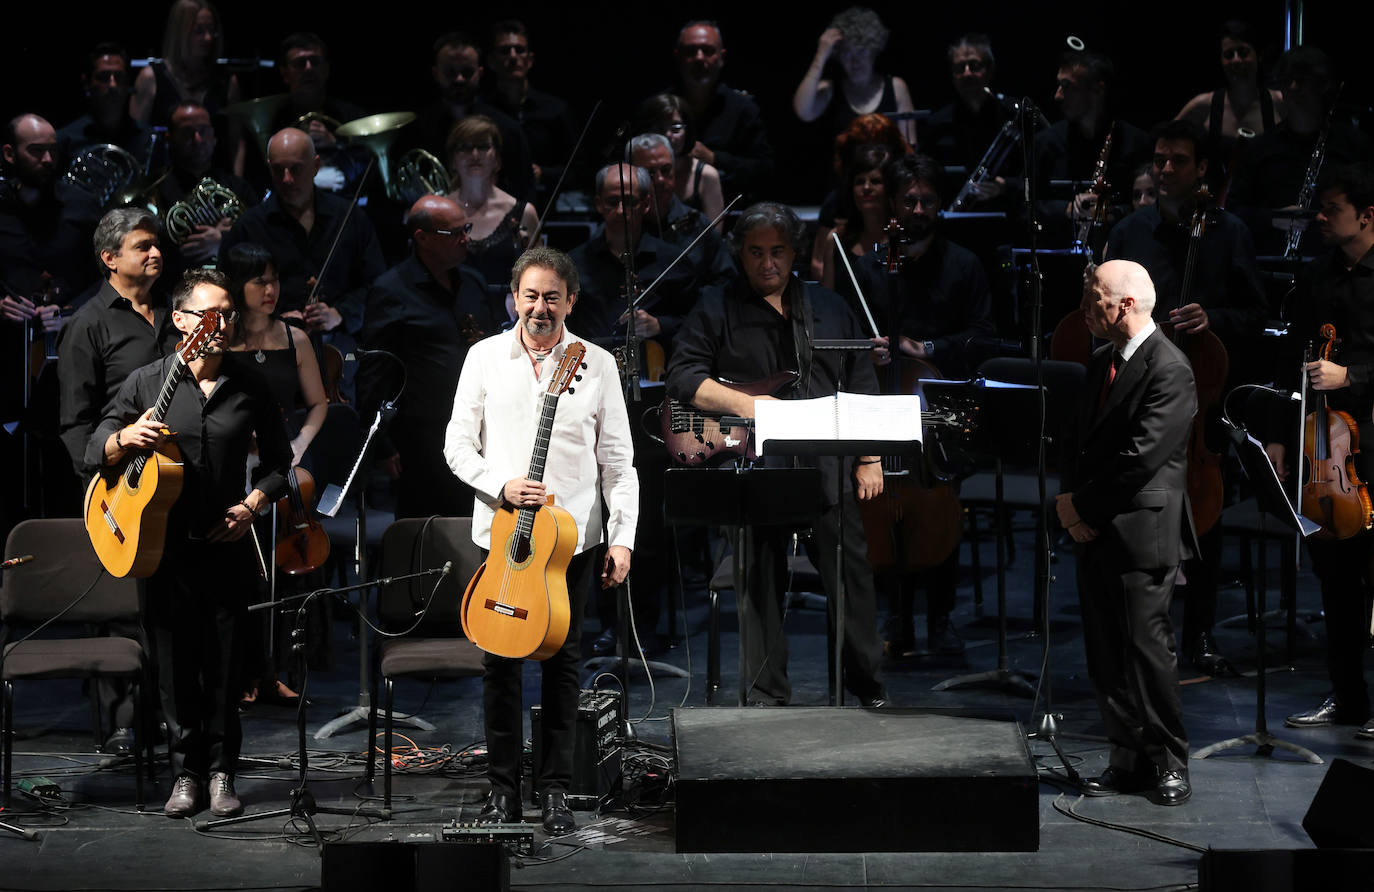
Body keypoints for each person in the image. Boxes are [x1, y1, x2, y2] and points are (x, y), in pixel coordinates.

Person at [444, 245, 637, 834]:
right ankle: (502, 791)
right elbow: (457, 445)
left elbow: (618, 462)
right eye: (530, 295)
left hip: (571, 541)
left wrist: (623, 538)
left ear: (571, 301)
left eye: (552, 296)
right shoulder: (483, 358)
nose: (540, 307)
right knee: (499, 664)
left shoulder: (596, 364)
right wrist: (499, 485)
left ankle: (554, 789)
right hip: (504, 536)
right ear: (514, 299)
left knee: (562, 664)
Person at [665, 202, 887, 707]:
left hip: (827, 466)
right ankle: (767, 695)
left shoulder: (830, 307)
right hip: (756, 468)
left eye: (778, 252)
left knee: (851, 581)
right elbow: (683, 376)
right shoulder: (716, 306)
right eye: (756, 252)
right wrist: (749, 405)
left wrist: (869, 457)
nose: (768, 263)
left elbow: (861, 381)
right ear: (739, 253)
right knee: (760, 582)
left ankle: (869, 689)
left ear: (794, 253)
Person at [89, 268, 291, 818]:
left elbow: (280, 464)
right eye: (209, 314)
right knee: (174, 668)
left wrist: (253, 505)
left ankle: (223, 773)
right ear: (180, 320)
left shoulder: (250, 384)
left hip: (225, 544)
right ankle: (185, 773)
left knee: (225, 668)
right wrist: (123, 438)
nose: (221, 324)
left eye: (227, 314)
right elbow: (94, 447)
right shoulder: (147, 382)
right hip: (162, 549)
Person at [1105, 119, 1266, 676]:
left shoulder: (1229, 233)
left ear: (1201, 170)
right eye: (1159, 160)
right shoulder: (1130, 232)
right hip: (1137, 396)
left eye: (1178, 160)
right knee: (1132, 516)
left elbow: (1257, 314)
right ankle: (1133, 632)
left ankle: (1198, 634)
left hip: (1204, 402)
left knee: (1203, 521)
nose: (1165, 169)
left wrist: (1212, 317)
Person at [832, 154, 995, 655]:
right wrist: (868, 349)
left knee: (938, 499)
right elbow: (842, 335)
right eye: (909, 200)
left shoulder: (964, 265)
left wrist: (927, 349)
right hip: (882, 399)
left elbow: (984, 335)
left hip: (943, 406)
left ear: (939, 203)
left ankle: (940, 617)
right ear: (893, 205)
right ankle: (895, 615)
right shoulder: (867, 268)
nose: (918, 209)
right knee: (882, 506)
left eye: (927, 200)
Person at [1055, 259, 1195, 806]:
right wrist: (1070, 503)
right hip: (1094, 527)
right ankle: (1127, 758)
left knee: (1146, 651)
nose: (1085, 310)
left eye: (1094, 300)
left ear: (1125, 305)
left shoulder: (1170, 367)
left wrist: (1081, 509)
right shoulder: (1101, 361)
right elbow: (1079, 444)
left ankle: (1169, 762)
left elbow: (1141, 459)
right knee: (1105, 654)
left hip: (1141, 531)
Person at [1272, 163, 1374, 738]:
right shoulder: (1316, 277)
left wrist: (1351, 375)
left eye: (1331, 209)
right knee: (1336, 580)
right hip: (1325, 450)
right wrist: (1279, 435)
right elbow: (1293, 356)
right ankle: (1348, 697)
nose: (1320, 218)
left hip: (1372, 441)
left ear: (1367, 215)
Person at [361, 194, 498, 519]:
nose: (466, 239)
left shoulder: (473, 282)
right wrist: (383, 446)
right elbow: (374, 374)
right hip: (423, 440)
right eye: (455, 233)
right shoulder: (391, 291)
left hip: (481, 434)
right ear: (422, 238)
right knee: (427, 529)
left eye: (466, 229)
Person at [220, 127, 384, 337]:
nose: (287, 179)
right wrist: (271, 319)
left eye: (296, 169)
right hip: (271, 343)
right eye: (278, 169)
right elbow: (229, 292)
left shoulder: (350, 217)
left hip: (342, 339)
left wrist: (340, 313)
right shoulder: (248, 226)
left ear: (316, 166)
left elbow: (376, 283)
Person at [568, 163, 730, 357]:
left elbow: (696, 322)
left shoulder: (673, 262)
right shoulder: (574, 264)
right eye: (612, 201)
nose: (621, 210)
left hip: (656, 369)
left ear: (646, 204)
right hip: (589, 367)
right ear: (598, 204)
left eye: (629, 201)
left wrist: (660, 325)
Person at [1031, 49, 1150, 249]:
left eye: (1067, 86)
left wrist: (1110, 212)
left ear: (1097, 90)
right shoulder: (1046, 143)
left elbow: (1149, 207)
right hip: (1057, 256)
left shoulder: (1136, 143)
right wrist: (1067, 209)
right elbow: (1025, 205)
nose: (1057, 95)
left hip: (1119, 253)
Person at [417, 31, 535, 204]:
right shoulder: (417, 129)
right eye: (450, 72)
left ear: (480, 72)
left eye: (467, 72)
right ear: (436, 73)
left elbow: (524, 191)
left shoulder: (508, 128)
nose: (459, 79)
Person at [129, 0, 243, 175]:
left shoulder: (226, 82)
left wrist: (236, 184)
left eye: (211, 30)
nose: (208, 38)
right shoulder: (151, 77)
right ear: (179, 34)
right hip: (164, 181)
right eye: (199, 31)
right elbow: (134, 140)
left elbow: (237, 142)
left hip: (214, 182)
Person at [1174, 20, 1285, 188]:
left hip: (1266, 201)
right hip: (1214, 202)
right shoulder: (1204, 105)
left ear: (1258, 56)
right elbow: (1166, 142)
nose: (1236, 60)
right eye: (1228, 55)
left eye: (1243, 52)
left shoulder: (1279, 103)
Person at [669, 20, 774, 196]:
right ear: (678, 56)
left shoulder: (743, 109)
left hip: (730, 204)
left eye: (708, 50)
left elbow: (765, 168)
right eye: (691, 51)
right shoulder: (659, 107)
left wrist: (714, 158)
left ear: (721, 57)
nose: (699, 57)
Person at [921, 33, 1021, 209]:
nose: (967, 73)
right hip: (952, 218)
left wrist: (1005, 185)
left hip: (1007, 215)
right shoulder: (936, 123)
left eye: (974, 66)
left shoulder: (1014, 115)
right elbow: (926, 175)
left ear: (989, 70)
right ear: (952, 75)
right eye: (960, 68)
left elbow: (1036, 175)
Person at [792, 8, 916, 146]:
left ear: (873, 50)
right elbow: (803, 112)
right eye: (847, 53)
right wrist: (821, 55)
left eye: (861, 51)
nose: (855, 61)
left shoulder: (896, 87)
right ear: (839, 56)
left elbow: (909, 146)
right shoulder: (829, 89)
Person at [157, 102, 258, 270]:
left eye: (203, 131)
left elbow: (261, 237)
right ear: (169, 138)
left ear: (214, 136)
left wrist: (224, 240)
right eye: (187, 132)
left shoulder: (238, 187)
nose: (197, 139)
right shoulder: (158, 191)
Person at [484, 20, 577, 199]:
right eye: (505, 51)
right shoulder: (483, 111)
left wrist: (543, 174)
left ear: (530, 60)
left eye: (519, 50)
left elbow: (578, 169)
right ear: (491, 61)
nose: (513, 56)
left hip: (548, 205)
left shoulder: (556, 109)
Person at [443, 115, 537, 291]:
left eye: (483, 147)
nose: (475, 155)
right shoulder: (439, 214)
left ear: (497, 160)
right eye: (465, 148)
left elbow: (539, 282)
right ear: (453, 161)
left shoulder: (525, 213)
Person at [57, 42, 155, 165]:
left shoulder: (148, 140)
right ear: (87, 83)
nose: (112, 85)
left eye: (119, 77)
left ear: (127, 82)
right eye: (103, 77)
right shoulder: (66, 141)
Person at [818, 143, 893, 290]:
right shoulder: (836, 239)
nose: (866, 187)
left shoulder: (899, 239)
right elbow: (828, 297)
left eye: (875, 181)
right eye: (860, 181)